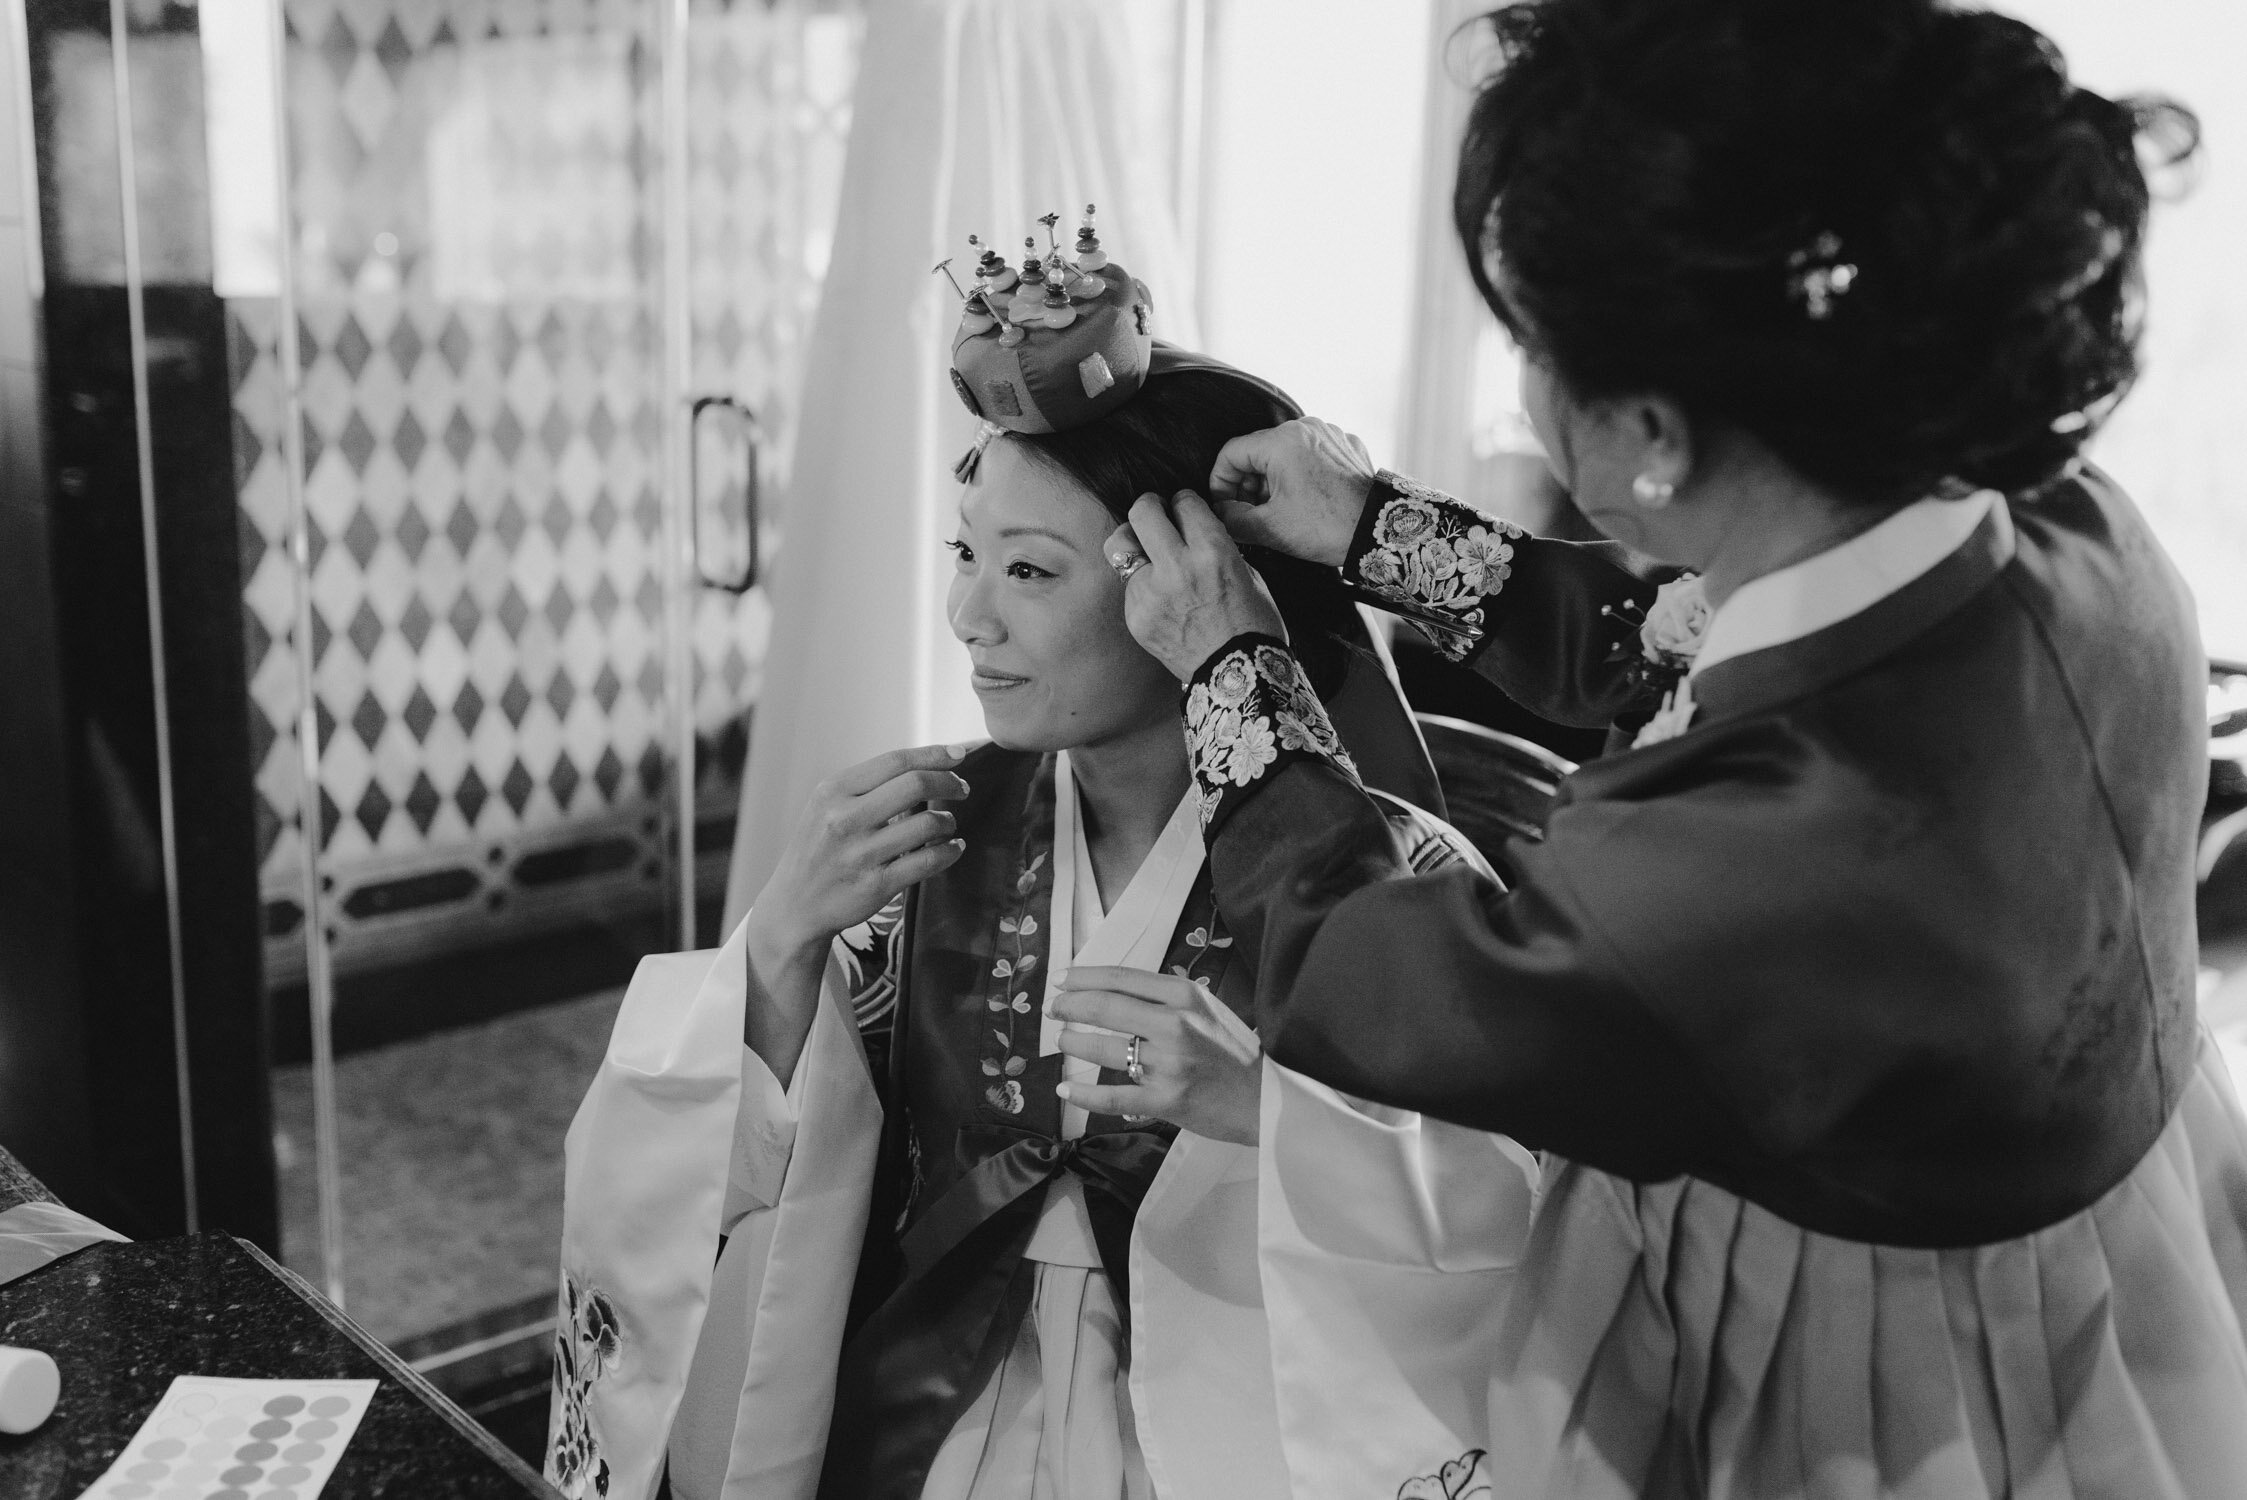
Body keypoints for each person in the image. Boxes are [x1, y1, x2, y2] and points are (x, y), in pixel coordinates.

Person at [1107, 2, 2247, 1496]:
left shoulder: (1764, 861)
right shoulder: (2050, 517)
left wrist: (1232, 667)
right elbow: (1693, 627)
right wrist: (1371, 527)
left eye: (1527, 344)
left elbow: (1374, 978)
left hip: (1877, 1349)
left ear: (1644, 427)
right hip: (2113, 1205)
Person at [546, 227, 1535, 1500]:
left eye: (1029, 571)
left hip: (1238, 1430)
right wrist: (781, 949)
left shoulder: (1393, 870)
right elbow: (759, 1171)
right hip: (943, 1404)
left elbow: (1528, 1209)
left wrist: (1259, 1113)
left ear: (1198, 589)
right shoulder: (933, 833)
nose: (970, 616)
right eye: (968, 556)